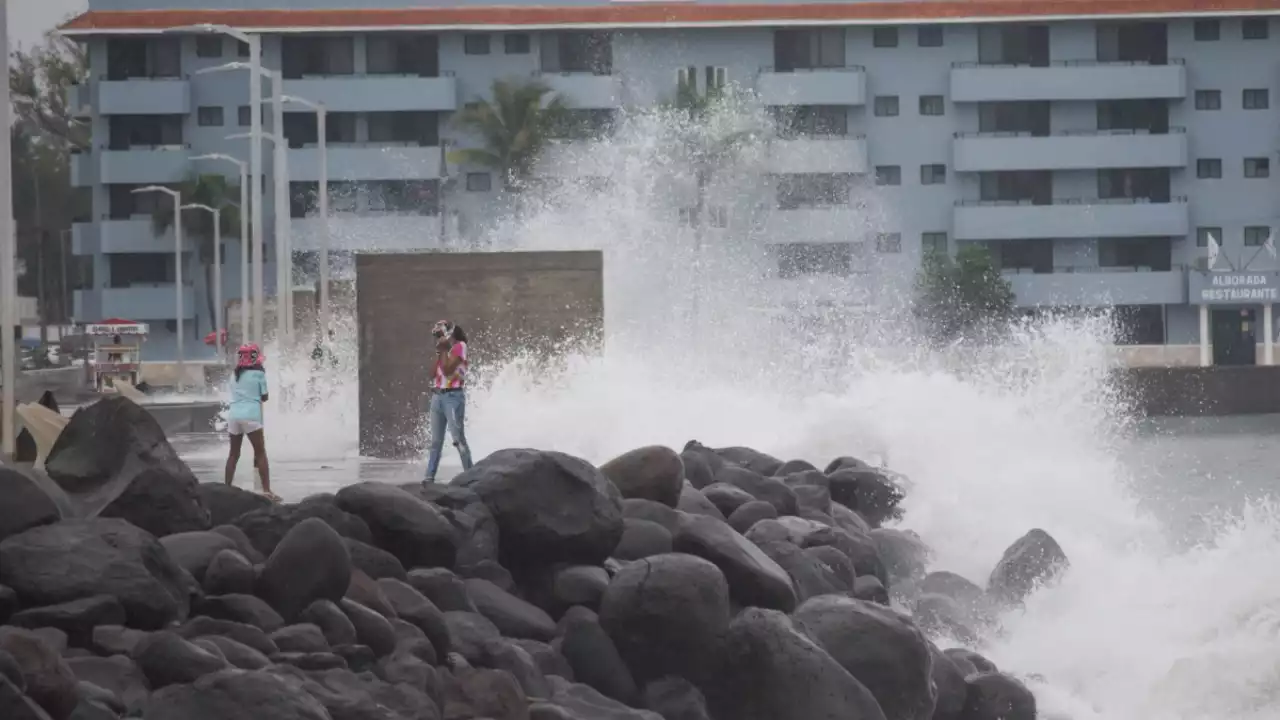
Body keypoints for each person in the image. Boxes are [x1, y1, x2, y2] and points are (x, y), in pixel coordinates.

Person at [424, 320, 474, 483]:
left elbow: (447, 370)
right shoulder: (443, 350)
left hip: (453, 397)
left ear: (449, 333)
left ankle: (471, 475)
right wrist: (439, 352)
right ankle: (429, 477)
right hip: (437, 397)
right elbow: (432, 374)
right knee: (436, 442)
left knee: (458, 438)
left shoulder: (460, 347)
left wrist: (444, 350)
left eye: (440, 334)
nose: (438, 338)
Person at [225, 343, 277, 500]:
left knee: (233, 454)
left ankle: (226, 488)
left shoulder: (234, 375)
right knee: (260, 453)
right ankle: (267, 490)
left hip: (234, 416)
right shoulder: (259, 375)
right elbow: (265, 396)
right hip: (251, 416)